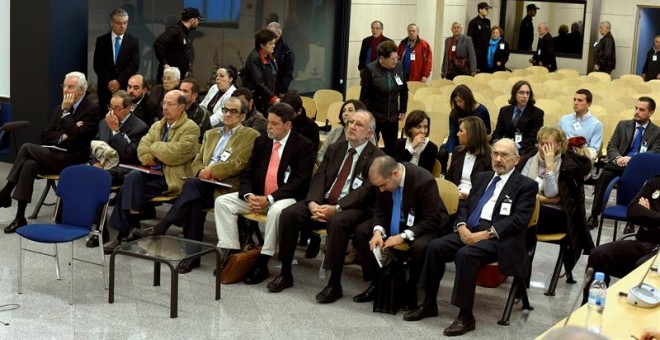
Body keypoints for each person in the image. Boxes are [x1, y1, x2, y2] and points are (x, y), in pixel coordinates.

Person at [404, 139, 537, 337]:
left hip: (499, 238)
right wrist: (462, 226)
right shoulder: (482, 177)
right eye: (495, 154)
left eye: (504, 155)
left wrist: (485, 234)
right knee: (435, 246)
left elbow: (519, 220)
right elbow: (465, 206)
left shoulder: (526, 185)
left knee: (466, 255)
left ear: (516, 159)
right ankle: (429, 303)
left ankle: (466, 316)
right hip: (470, 229)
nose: (498, 159)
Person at [267, 110, 384, 298]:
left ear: (369, 134)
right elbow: (319, 176)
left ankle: (334, 283)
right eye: (351, 122)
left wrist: (336, 208)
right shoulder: (336, 148)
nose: (352, 126)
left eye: (359, 124)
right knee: (289, 214)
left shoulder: (376, 157)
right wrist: (313, 202)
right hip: (323, 201)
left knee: (337, 221)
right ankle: (285, 273)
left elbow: (366, 191)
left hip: (354, 208)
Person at [137, 97, 260, 273]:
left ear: (242, 116)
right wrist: (203, 171)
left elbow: (239, 163)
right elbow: (197, 161)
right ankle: (192, 257)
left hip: (226, 186)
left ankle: (163, 226)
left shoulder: (250, 135)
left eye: (233, 112)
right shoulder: (211, 134)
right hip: (203, 183)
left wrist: (213, 171)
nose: (228, 114)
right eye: (225, 110)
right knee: (193, 202)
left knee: (192, 188)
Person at [214, 103, 315, 285]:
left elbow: (299, 182)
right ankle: (232, 252)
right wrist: (248, 196)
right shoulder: (262, 141)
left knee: (277, 211)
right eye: (268, 122)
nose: (269, 127)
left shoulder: (303, 145)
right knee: (223, 202)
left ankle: (263, 260)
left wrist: (269, 199)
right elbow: (248, 173)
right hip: (258, 196)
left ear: (288, 125)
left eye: (274, 124)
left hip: (285, 198)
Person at [1, 72, 102, 233]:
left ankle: (6, 191)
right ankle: (20, 217)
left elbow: (77, 137)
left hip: (74, 158)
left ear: (82, 90)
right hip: (54, 154)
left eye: (71, 87)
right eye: (64, 86)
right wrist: (63, 136)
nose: (65, 91)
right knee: (29, 164)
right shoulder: (60, 108)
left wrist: (66, 113)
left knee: (27, 147)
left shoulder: (92, 109)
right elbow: (45, 135)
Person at [104, 90, 200, 252]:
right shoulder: (158, 125)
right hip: (154, 174)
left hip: (174, 178)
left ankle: (125, 233)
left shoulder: (191, 128)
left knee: (130, 185)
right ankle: (128, 231)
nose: (165, 107)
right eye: (164, 103)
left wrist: (155, 148)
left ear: (182, 107)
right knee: (132, 178)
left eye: (170, 104)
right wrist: (155, 154)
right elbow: (142, 151)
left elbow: (177, 153)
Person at [355, 156, 450, 309]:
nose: (381, 189)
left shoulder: (424, 180)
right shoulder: (383, 181)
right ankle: (378, 282)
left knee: (419, 246)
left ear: (395, 174)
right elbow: (380, 208)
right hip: (396, 217)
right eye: (378, 186)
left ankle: (411, 289)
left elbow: (432, 219)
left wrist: (403, 236)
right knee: (362, 232)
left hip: (424, 224)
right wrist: (378, 231)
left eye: (383, 185)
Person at [519, 127, 594, 278]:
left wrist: (549, 166)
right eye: (541, 144)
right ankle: (518, 269)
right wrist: (541, 198)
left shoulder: (568, 165)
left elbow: (552, 193)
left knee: (522, 219)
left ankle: (520, 274)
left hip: (557, 216)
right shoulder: (531, 159)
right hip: (531, 208)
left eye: (548, 144)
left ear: (559, 145)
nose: (543, 148)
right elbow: (520, 189)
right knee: (517, 215)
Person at [581, 173, 660, 305]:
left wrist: (648, 217)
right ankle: (588, 310)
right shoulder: (656, 181)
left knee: (641, 267)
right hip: (643, 242)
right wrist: (656, 219)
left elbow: (642, 215)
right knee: (598, 255)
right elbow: (633, 211)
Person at [586, 97, 660, 230]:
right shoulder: (622, 125)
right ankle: (594, 214)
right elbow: (612, 146)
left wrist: (633, 160)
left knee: (638, 181)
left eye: (641, 110)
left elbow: (655, 152)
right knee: (604, 177)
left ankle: (631, 220)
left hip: (638, 168)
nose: (637, 112)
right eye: (636, 108)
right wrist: (618, 158)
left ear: (651, 112)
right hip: (618, 165)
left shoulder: (657, 132)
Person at [360, 40, 408, 156]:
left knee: (392, 150)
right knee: (369, 149)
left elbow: (404, 90)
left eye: (396, 57)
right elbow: (364, 97)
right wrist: (366, 118)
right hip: (374, 117)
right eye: (392, 59)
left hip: (392, 116)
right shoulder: (371, 70)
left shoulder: (399, 66)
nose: (395, 61)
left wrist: (402, 109)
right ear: (382, 58)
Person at [89, 90, 148, 184]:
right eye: (110, 107)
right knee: (77, 174)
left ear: (128, 108)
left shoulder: (140, 128)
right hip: (101, 164)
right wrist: (95, 162)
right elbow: (95, 146)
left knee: (97, 178)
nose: (112, 112)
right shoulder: (104, 123)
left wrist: (116, 131)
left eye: (116, 108)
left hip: (121, 167)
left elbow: (127, 155)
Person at [93, 8, 139, 111]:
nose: (122, 26)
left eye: (125, 23)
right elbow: (97, 64)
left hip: (124, 87)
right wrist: (110, 82)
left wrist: (119, 81)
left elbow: (134, 64)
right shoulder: (101, 41)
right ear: (111, 23)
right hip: (105, 88)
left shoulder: (133, 41)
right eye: (119, 23)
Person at [491, 80, 544, 156]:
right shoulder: (504, 110)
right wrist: (498, 143)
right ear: (514, 94)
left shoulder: (537, 113)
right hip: (504, 147)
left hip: (524, 149)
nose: (525, 96)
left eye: (527, 93)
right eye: (521, 93)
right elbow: (498, 132)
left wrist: (515, 146)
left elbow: (533, 138)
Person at [444, 116, 492, 201]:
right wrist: (452, 192)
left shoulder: (489, 156)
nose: (457, 134)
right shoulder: (457, 151)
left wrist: (470, 195)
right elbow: (449, 177)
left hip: (475, 200)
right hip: (454, 196)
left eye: (461, 131)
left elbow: (489, 186)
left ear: (472, 134)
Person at [153, 7, 204, 83]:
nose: (198, 23)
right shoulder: (175, 31)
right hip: (169, 79)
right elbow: (158, 44)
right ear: (193, 20)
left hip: (178, 78)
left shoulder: (184, 33)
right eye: (197, 20)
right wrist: (165, 64)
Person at [317, 99, 369, 164]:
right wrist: (330, 166)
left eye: (350, 110)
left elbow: (370, 160)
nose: (345, 114)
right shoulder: (335, 132)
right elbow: (321, 155)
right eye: (343, 111)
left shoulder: (367, 134)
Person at [558, 89, 603, 162]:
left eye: (580, 100)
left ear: (589, 104)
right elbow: (557, 140)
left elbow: (594, 150)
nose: (575, 103)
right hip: (562, 157)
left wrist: (580, 152)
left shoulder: (596, 124)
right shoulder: (563, 120)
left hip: (581, 160)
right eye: (574, 99)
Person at [243, 29, 280, 114]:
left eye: (274, 43)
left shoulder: (269, 56)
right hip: (258, 99)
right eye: (271, 44)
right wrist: (272, 97)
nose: (274, 46)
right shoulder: (254, 58)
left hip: (267, 96)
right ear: (262, 45)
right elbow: (259, 83)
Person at [266, 22, 295, 96]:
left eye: (271, 33)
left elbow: (288, 73)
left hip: (277, 88)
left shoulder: (287, 51)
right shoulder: (263, 45)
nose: (267, 35)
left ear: (278, 34)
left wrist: (282, 91)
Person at [179, 78, 211, 143]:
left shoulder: (201, 113)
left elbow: (192, 137)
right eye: (180, 90)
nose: (180, 94)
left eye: (185, 91)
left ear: (194, 95)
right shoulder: (176, 108)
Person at [467, 2, 492, 72]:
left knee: (485, 71)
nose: (488, 11)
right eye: (486, 9)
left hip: (486, 51)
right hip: (477, 51)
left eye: (488, 9)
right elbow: (470, 38)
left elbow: (488, 35)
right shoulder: (473, 22)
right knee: (477, 70)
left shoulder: (488, 22)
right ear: (480, 10)